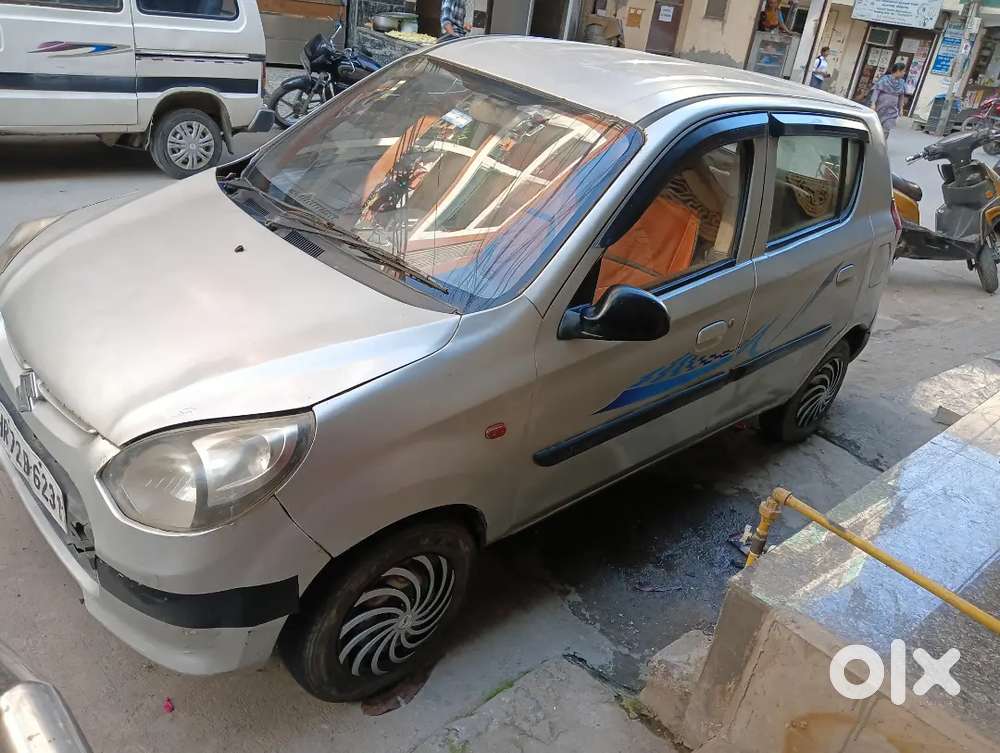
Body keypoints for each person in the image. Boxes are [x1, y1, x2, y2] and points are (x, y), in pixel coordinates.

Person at [871, 62, 908, 140]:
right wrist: (873, 103)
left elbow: (901, 97)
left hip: (892, 110)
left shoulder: (902, 83)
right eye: (903, 71)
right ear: (898, 70)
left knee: (886, 129)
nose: (904, 73)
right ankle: (874, 141)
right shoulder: (885, 79)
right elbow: (876, 92)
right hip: (880, 107)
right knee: (876, 127)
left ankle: (882, 143)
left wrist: (901, 109)